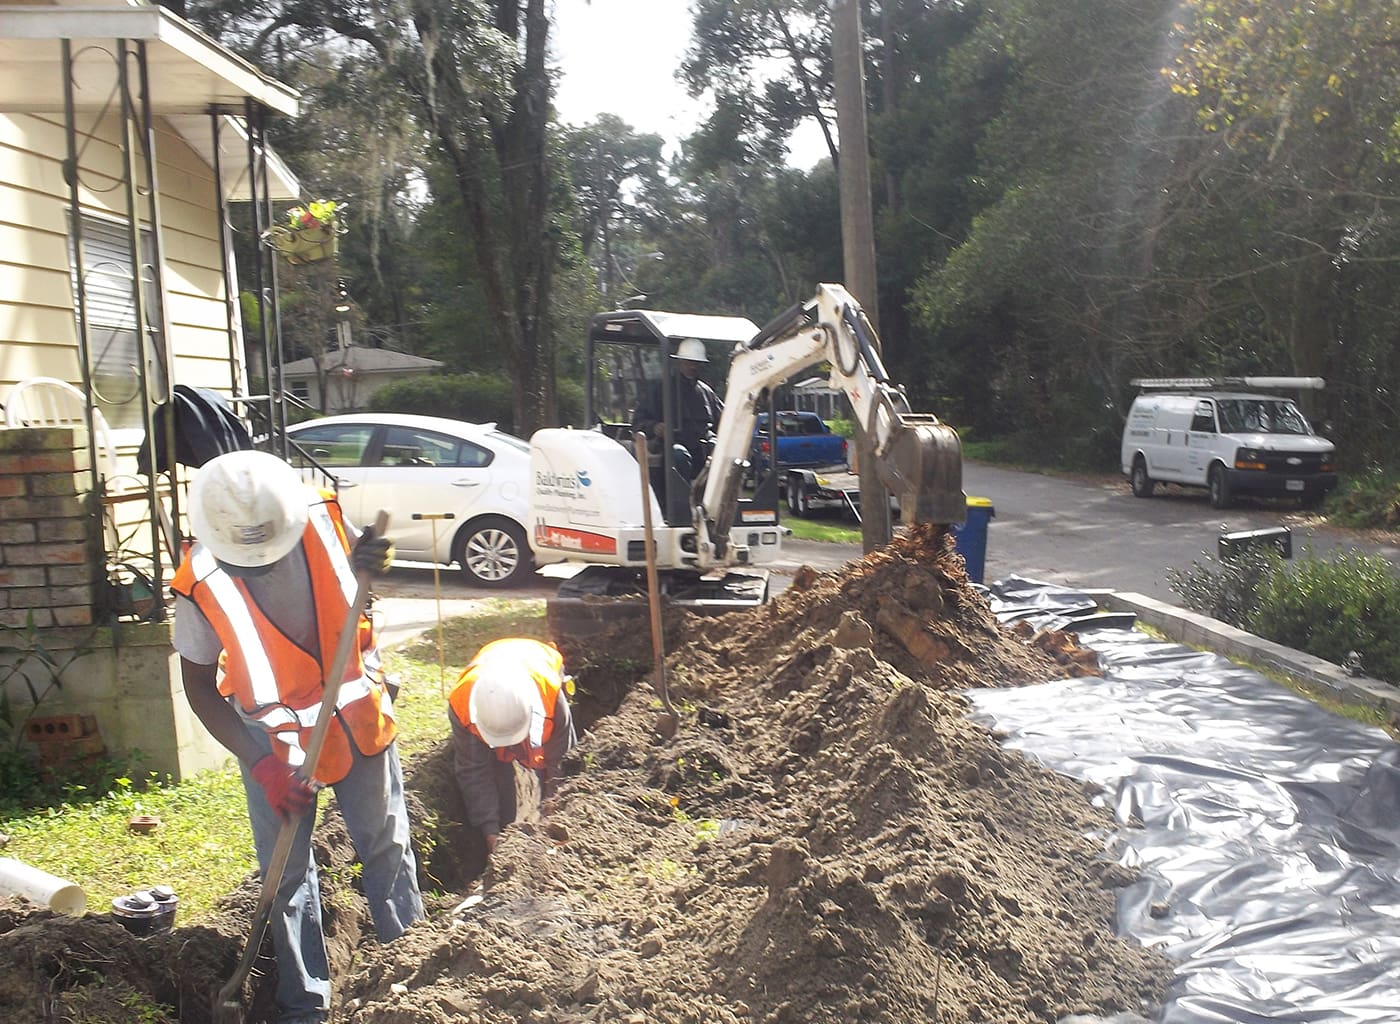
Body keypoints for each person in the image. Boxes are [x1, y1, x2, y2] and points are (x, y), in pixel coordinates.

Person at [171, 450, 423, 1024]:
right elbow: (198, 686)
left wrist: (375, 560)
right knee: (285, 876)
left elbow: (362, 576)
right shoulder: (200, 579)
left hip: (354, 718)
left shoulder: (322, 517)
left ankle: (411, 974)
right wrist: (261, 765)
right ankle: (305, 1004)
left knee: (385, 847)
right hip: (273, 744)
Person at [447, 638, 578, 855]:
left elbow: (562, 763)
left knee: (554, 772)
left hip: (538, 659)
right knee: (497, 773)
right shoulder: (461, 703)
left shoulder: (550, 694)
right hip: (491, 659)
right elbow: (474, 770)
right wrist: (490, 831)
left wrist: (554, 822)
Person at [631, 337, 723, 482]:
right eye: (689, 362)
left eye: (696, 363)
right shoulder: (661, 389)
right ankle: (681, 495)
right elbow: (638, 421)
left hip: (703, 448)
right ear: (680, 362)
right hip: (672, 446)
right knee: (678, 454)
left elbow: (724, 421)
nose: (693, 367)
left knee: (721, 451)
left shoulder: (707, 392)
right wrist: (655, 427)